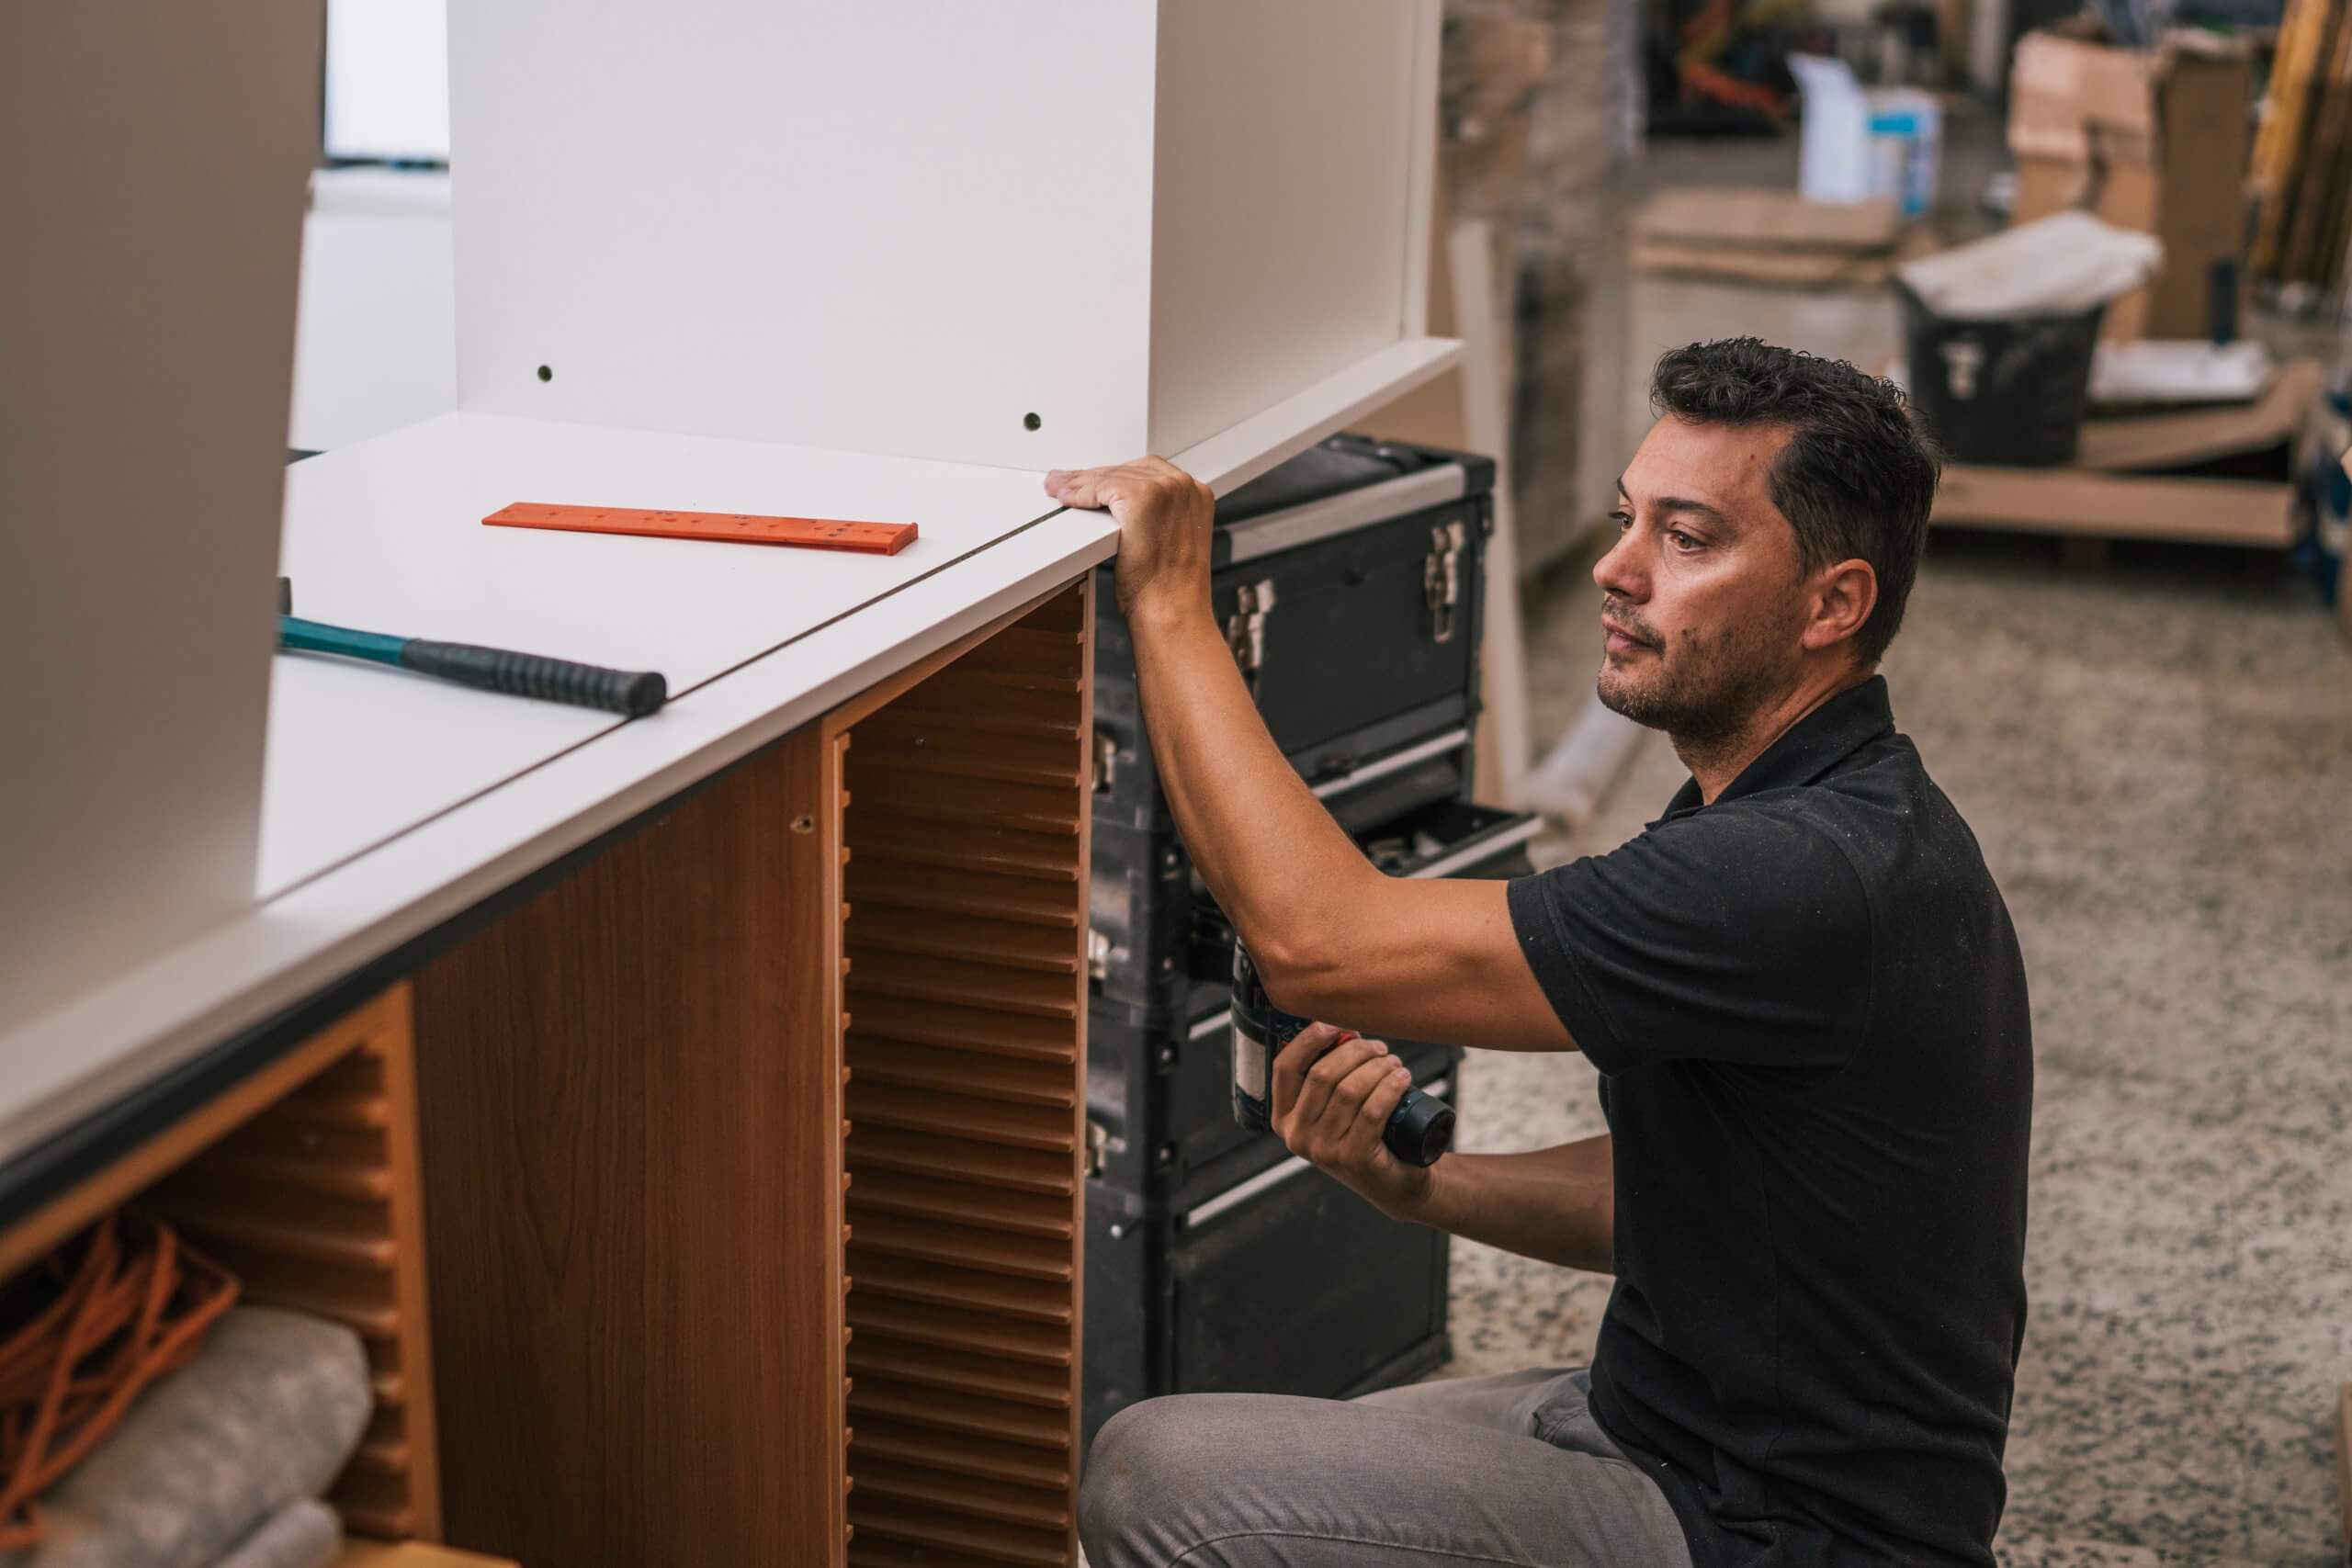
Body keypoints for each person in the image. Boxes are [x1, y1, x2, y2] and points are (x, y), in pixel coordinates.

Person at [1046, 337, 2032, 1568]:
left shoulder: (1794, 873)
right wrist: (1423, 1189)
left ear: (1835, 604)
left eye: (1687, 539)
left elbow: (1317, 944)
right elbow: (1694, 1195)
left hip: (1774, 1528)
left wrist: (1171, 596)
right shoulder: (1820, 800)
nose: (1618, 571)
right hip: (1665, 1422)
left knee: (1160, 1476)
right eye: (1629, 520)